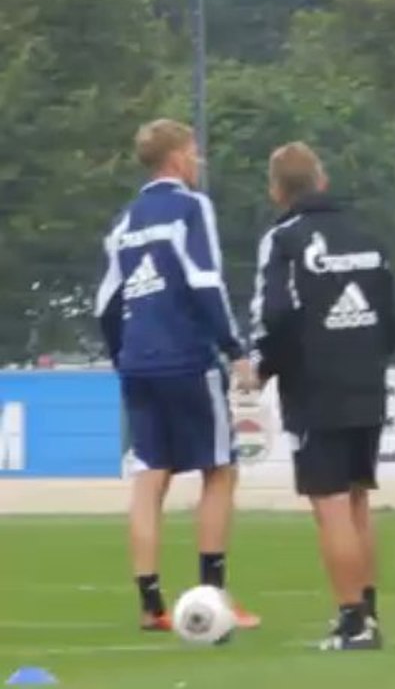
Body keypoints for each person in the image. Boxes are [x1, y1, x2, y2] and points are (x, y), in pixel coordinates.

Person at [93, 118, 260, 632]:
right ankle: (214, 595)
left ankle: (150, 604)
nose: (198, 161)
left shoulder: (125, 223)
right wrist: (235, 349)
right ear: (177, 158)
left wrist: (123, 355)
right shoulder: (191, 207)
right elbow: (205, 279)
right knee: (219, 468)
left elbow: (107, 301)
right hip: (186, 357)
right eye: (194, 152)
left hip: (139, 362)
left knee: (150, 476)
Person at [246, 142, 395, 651]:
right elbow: (392, 316)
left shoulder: (283, 240)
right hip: (367, 380)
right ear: (323, 181)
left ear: (277, 191)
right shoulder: (366, 235)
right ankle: (369, 614)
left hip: (317, 385)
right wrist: (369, 354)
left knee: (330, 504)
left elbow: (276, 314)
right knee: (357, 499)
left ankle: (353, 623)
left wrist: (265, 367)